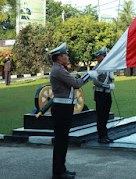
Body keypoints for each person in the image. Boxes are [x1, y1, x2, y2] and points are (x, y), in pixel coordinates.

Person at [48, 42, 91, 179]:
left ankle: (62, 169)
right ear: (59, 57)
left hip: (64, 108)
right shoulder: (59, 70)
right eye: (65, 54)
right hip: (61, 109)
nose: (67, 56)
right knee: (61, 141)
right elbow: (76, 84)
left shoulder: (60, 68)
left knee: (63, 140)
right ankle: (58, 172)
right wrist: (89, 76)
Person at [92, 47, 115, 144]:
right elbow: (94, 81)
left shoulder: (108, 67)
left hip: (107, 94)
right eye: (103, 56)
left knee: (106, 115)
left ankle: (105, 135)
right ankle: (101, 136)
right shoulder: (97, 68)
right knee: (101, 116)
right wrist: (107, 85)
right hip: (100, 93)